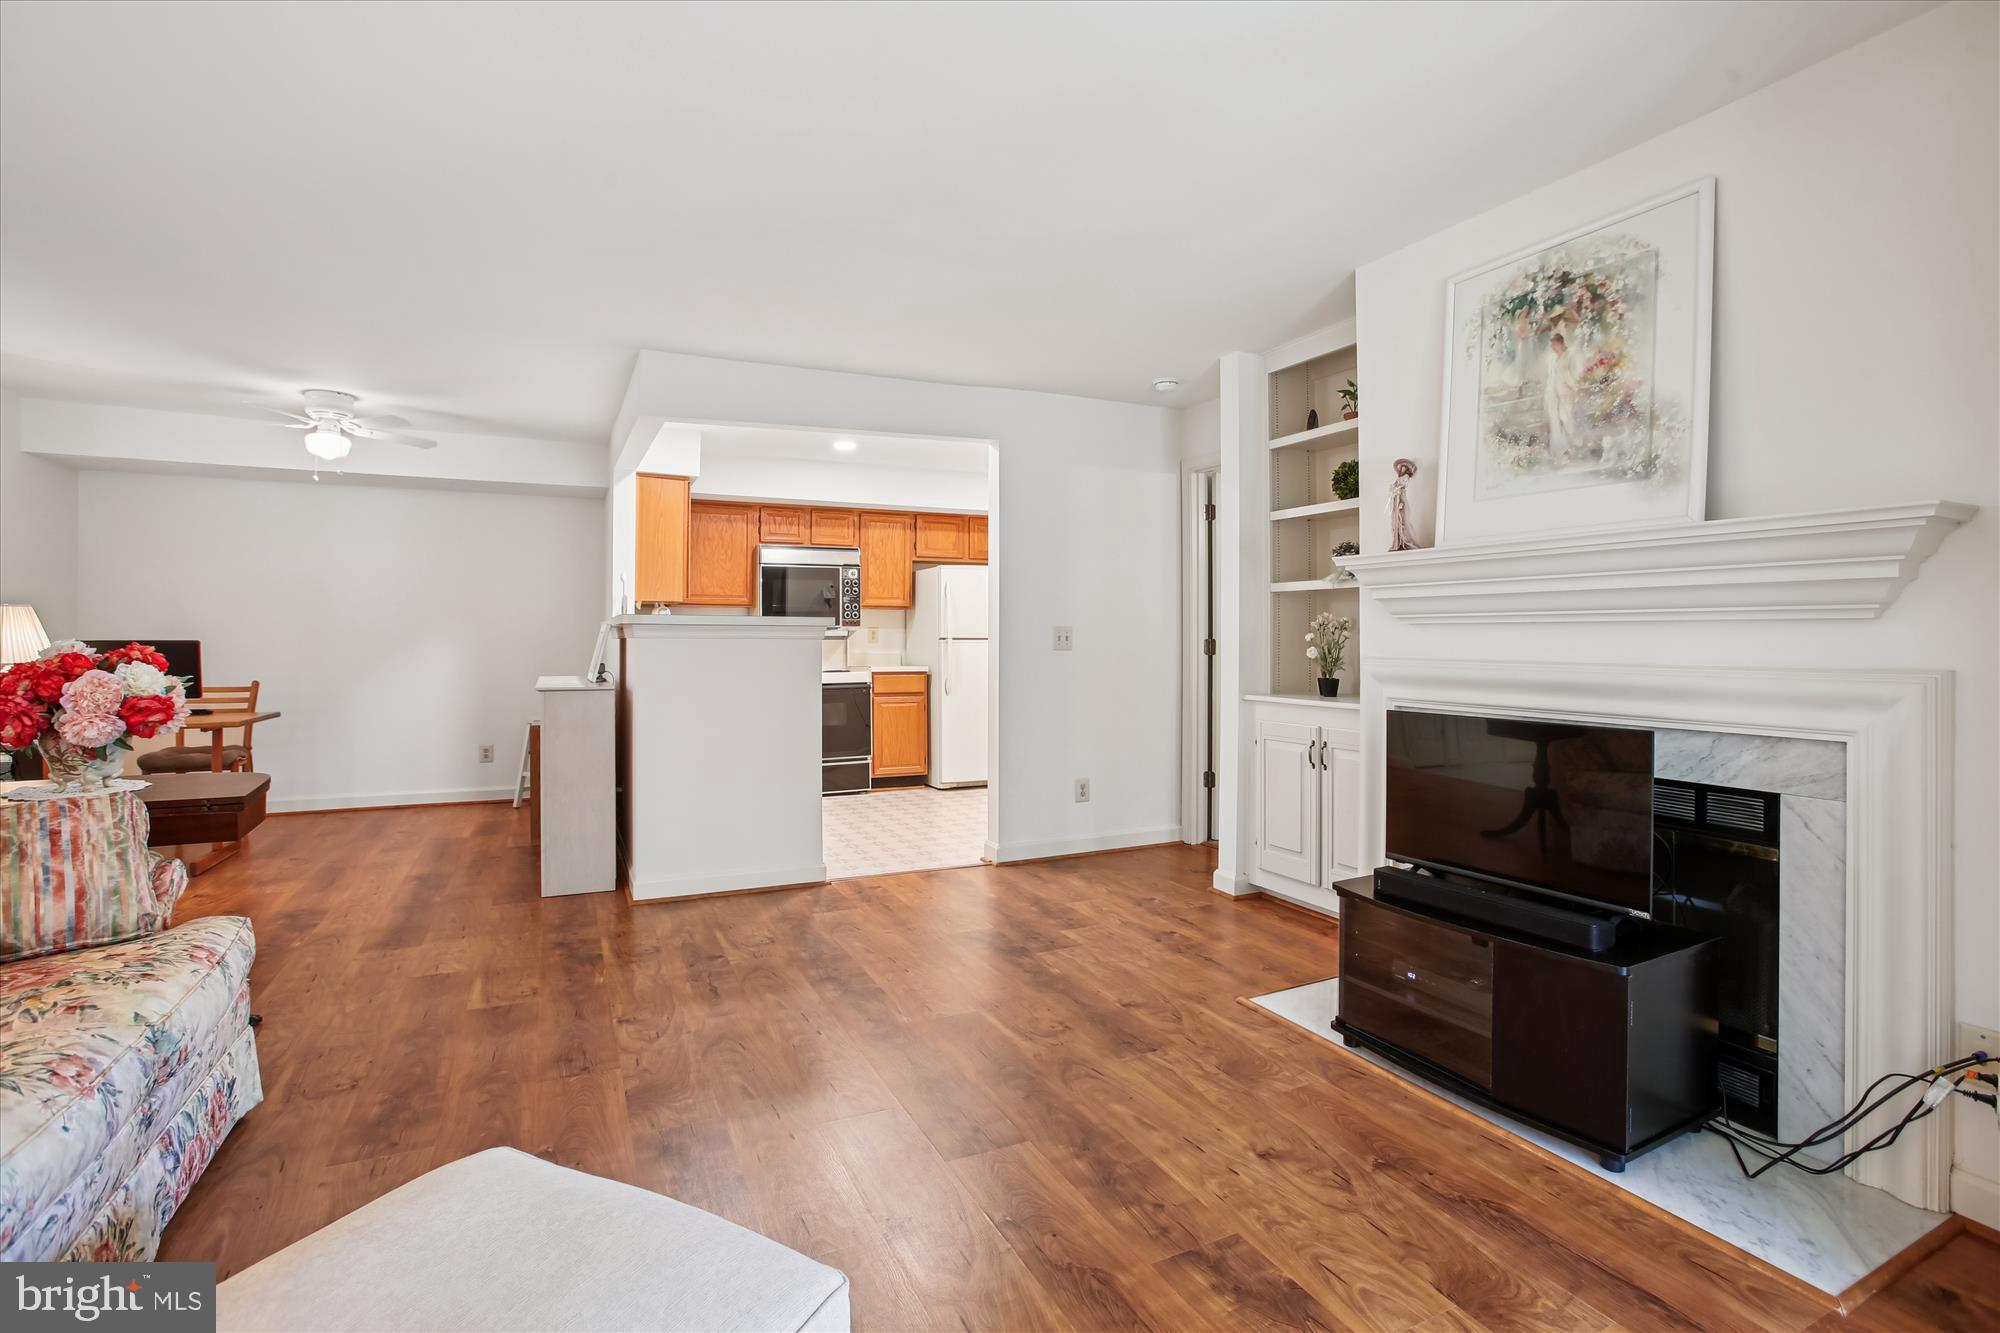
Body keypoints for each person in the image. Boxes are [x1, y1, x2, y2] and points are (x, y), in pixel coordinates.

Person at [1542, 330, 1583, 462]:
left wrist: (1574, 387)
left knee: (1565, 418)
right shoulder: (1552, 358)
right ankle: (1560, 450)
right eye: (1551, 345)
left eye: (1554, 344)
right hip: (1552, 392)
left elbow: (1569, 374)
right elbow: (1550, 375)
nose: (1552, 347)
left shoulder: (1568, 356)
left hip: (1565, 391)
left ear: (1560, 343)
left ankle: (1572, 446)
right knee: (1555, 420)